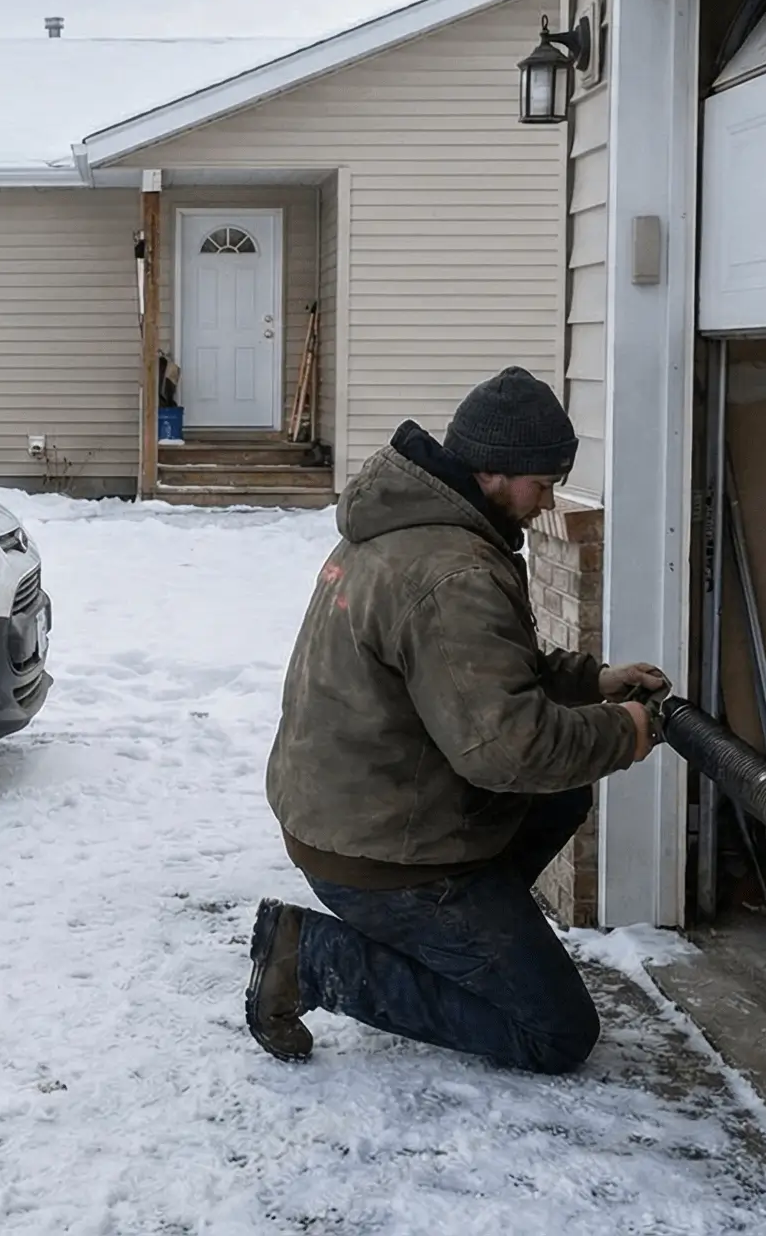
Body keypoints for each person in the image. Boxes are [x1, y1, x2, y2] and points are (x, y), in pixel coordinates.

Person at [246, 366, 668, 1075]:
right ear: (496, 473)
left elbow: (484, 672)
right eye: (542, 482)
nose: (548, 502)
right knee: (555, 1033)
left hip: (351, 811)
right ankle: (313, 958)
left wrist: (593, 682)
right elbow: (507, 750)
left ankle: (460, 934)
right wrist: (626, 731)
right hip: (381, 853)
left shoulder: (410, 527)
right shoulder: (452, 570)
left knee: (561, 791)